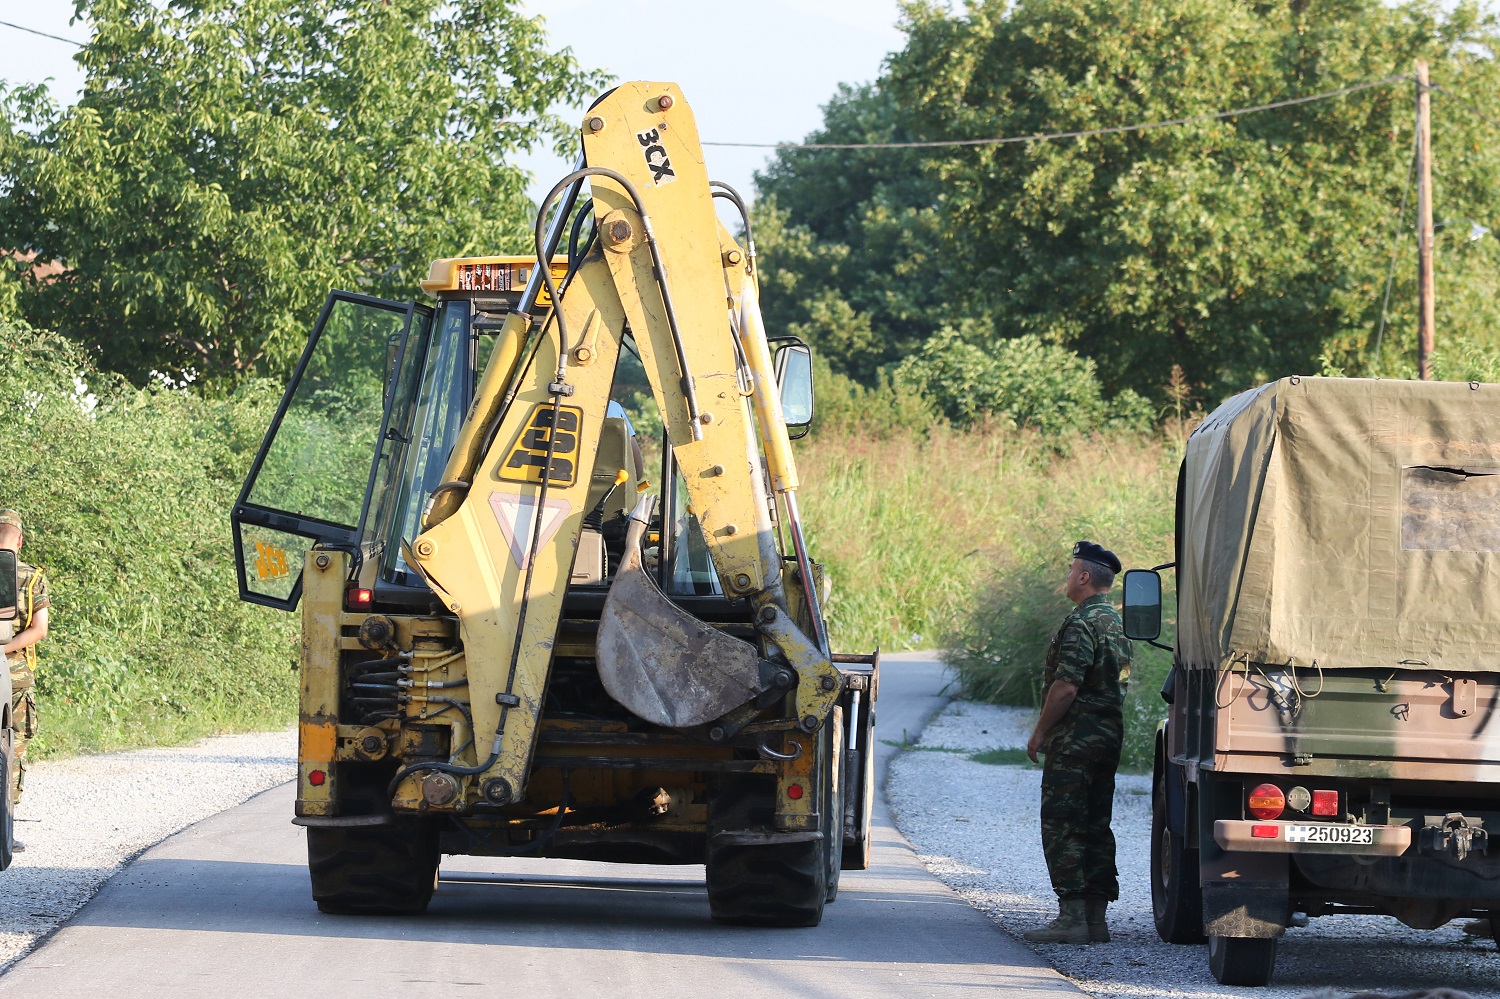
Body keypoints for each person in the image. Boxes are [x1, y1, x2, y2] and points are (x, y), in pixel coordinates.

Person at [1023, 540, 1131, 945]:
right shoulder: (1118, 623)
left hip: (1076, 740)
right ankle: (1095, 919)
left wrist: (1040, 732)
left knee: (1063, 823)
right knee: (1095, 824)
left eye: (1071, 570)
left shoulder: (1082, 622)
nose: (1067, 577)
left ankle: (1071, 918)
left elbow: (1066, 686)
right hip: (1107, 738)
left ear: (1084, 577)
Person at [0, 509, 48, 848]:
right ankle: (6, 832)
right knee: (12, 750)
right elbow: (39, 630)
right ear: (19, 540)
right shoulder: (32, 579)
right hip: (14, 675)